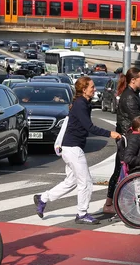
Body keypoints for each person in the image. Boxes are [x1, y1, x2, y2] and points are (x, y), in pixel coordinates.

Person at [33, 76, 121, 225]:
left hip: (72, 147)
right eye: (92, 87)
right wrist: (110, 133)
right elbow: (89, 127)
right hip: (73, 148)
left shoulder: (84, 103)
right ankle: (81, 214)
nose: (95, 89)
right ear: (84, 89)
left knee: (71, 181)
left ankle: (43, 198)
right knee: (86, 182)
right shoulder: (81, 104)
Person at [102, 67, 140, 214]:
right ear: (133, 80)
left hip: (130, 137)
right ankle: (110, 203)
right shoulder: (129, 97)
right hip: (127, 139)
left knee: (122, 169)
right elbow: (138, 121)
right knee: (121, 169)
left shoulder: (133, 94)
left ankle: (115, 202)